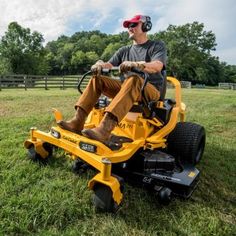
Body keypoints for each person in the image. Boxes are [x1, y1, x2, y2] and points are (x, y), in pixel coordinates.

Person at [58, 14, 167, 143]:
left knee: (134, 79)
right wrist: (99, 64)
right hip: (128, 87)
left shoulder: (156, 46)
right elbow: (108, 64)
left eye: (133, 25)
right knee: (97, 79)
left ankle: (104, 129)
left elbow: (157, 66)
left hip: (150, 90)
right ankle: (77, 122)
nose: (129, 28)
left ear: (145, 26)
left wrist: (138, 64)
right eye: (128, 26)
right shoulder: (124, 50)